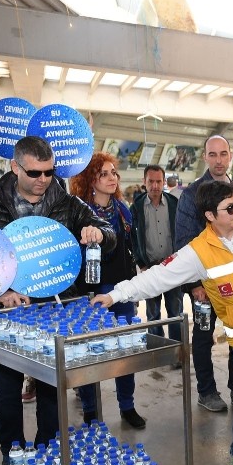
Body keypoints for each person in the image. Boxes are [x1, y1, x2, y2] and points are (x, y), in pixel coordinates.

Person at [94, 181, 233, 465]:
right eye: (229, 208)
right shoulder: (197, 252)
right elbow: (157, 278)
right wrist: (115, 295)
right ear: (209, 216)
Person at [0, 136, 115, 465]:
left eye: (49, 172)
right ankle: (13, 454)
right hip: (8, 319)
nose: (43, 180)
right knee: (7, 393)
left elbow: (108, 231)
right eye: (35, 173)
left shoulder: (68, 204)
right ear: (15, 167)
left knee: (52, 389)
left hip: (55, 311)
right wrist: (0, 292)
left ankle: (49, 450)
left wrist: (98, 233)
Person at [69, 152, 147, 429]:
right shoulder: (79, 212)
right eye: (104, 173)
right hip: (91, 290)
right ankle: (91, 409)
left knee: (125, 349)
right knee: (90, 351)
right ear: (90, 179)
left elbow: (131, 247)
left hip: (121, 288)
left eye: (114, 172)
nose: (112, 177)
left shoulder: (122, 209)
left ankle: (127, 405)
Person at [174, 135, 233, 413]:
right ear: (205, 157)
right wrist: (195, 284)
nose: (219, 160)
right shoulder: (191, 195)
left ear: (231, 156)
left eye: (223, 154)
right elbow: (183, 241)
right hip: (204, 284)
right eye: (213, 155)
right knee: (203, 337)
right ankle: (206, 391)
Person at [129, 165, 183, 349]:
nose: (155, 185)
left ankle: (176, 351)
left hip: (172, 267)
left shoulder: (174, 203)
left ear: (164, 182)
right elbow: (132, 239)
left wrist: (179, 259)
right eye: (151, 181)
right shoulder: (135, 208)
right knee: (153, 314)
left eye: (158, 181)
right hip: (149, 268)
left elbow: (181, 233)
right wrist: (141, 263)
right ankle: (158, 350)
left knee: (176, 312)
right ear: (144, 182)